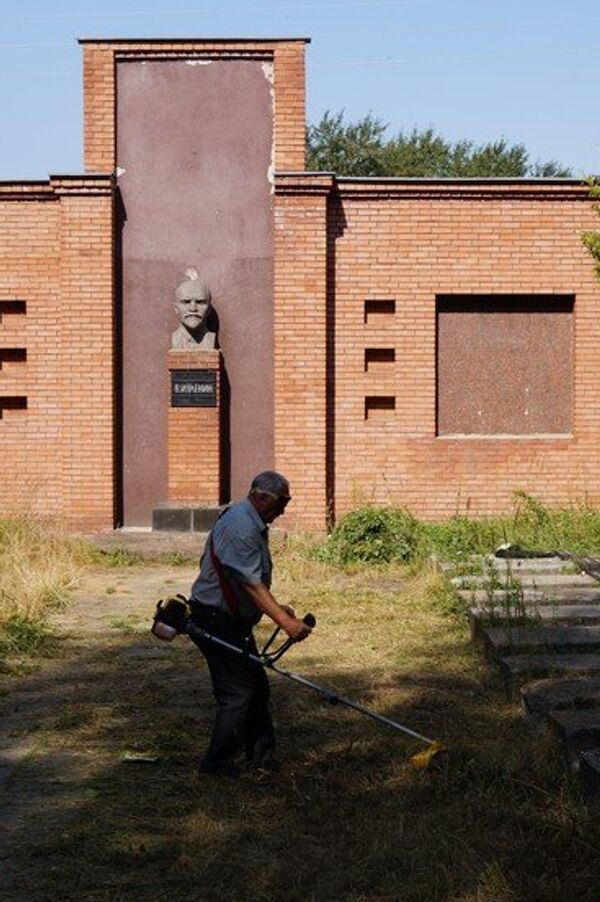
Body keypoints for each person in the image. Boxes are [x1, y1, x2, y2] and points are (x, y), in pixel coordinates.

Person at [189, 471, 312, 776]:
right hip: (214, 619)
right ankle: (216, 763)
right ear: (260, 496)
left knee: (256, 686)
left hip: (228, 619)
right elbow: (250, 584)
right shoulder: (241, 525)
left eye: (287, 501)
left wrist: (276, 608)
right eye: (282, 501)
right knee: (239, 691)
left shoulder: (251, 522)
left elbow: (247, 581)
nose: (284, 509)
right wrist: (285, 622)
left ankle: (262, 756)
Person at [171, 266, 216, 350]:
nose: (193, 308)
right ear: (176, 309)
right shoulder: (176, 339)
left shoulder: (210, 339)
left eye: (200, 302)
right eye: (186, 302)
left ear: (209, 309)